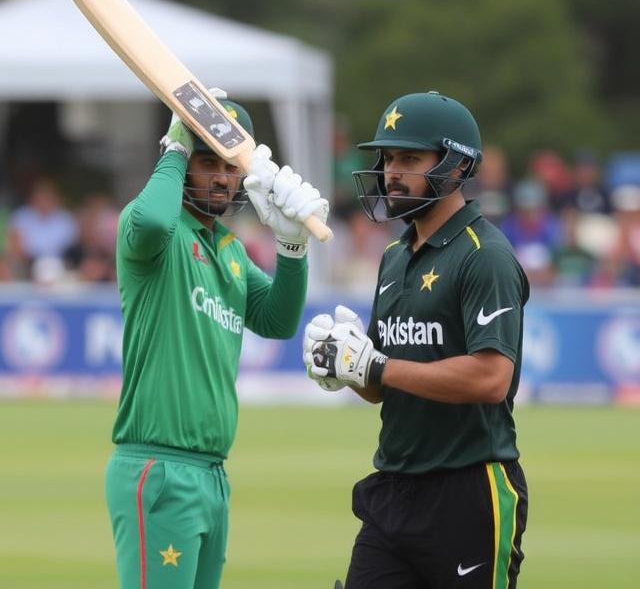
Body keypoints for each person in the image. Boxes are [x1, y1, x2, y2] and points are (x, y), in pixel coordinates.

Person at [303, 91, 529, 588]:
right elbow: (384, 386)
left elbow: (492, 376)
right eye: (386, 158)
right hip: (394, 488)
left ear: (454, 165)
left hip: (469, 488)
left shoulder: (484, 255)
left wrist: (376, 367)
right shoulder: (395, 256)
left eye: (409, 157)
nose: (390, 171)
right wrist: (346, 367)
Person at [105, 91, 328, 589]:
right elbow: (153, 220)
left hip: (212, 475)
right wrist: (176, 146)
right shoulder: (152, 237)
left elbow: (276, 320)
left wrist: (292, 248)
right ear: (184, 163)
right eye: (208, 162)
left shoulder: (227, 248)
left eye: (231, 166)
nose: (223, 178)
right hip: (158, 466)